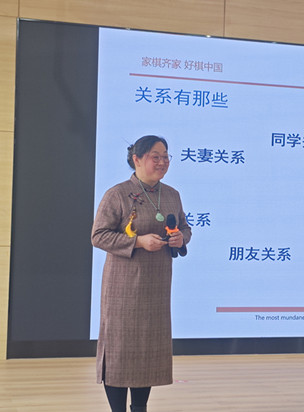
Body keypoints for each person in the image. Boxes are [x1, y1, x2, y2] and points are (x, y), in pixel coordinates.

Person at [91, 135, 192, 412]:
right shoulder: (118, 194)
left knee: (146, 350)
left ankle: (140, 407)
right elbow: (98, 236)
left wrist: (180, 238)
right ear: (136, 159)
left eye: (166, 156)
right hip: (123, 286)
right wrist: (138, 242)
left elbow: (185, 228)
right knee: (121, 349)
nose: (162, 162)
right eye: (155, 157)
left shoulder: (171, 194)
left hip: (156, 285)